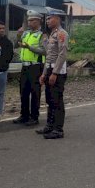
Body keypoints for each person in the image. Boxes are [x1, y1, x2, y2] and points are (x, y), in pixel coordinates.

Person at [37, 8, 69, 139]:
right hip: (50, 69)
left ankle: (58, 129)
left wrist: (54, 73)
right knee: (50, 99)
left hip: (58, 71)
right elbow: (49, 56)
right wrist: (44, 73)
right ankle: (50, 125)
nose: (48, 20)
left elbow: (62, 54)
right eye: (47, 18)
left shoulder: (62, 34)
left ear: (57, 18)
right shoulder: (51, 34)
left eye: (50, 18)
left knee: (57, 100)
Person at [13, 10, 46, 126]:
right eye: (28, 20)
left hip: (36, 67)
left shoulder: (42, 35)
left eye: (32, 20)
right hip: (25, 66)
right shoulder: (25, 33)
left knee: (35, 92)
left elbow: (45, 51)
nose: (29, 23)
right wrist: (18, 36)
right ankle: (24, 115)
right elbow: (16, 45)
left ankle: (34, 117)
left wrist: (29, 47)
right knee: (23, 91)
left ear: (38, 21)